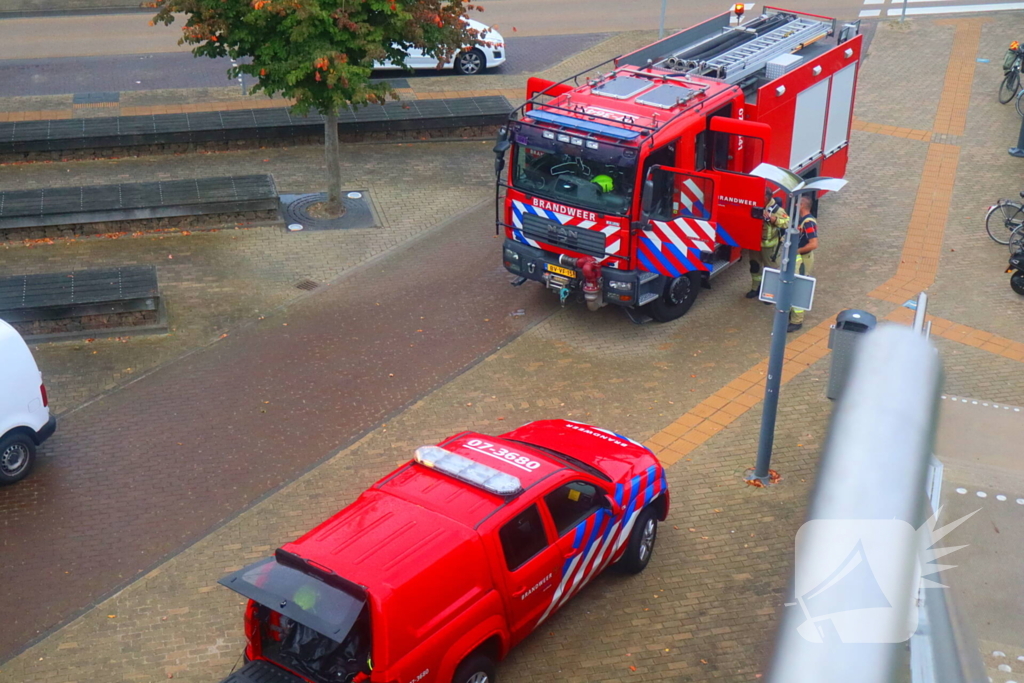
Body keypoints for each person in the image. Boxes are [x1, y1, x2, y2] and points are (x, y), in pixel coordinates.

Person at [746, 187, 789, 300]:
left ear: (766, 197)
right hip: (755, 244)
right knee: (755, 266)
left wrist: (773, 219)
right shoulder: (755, 204)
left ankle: (770, 294)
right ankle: (755, 288)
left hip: (769, 246)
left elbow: (787, 223)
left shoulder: (776, 210)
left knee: (771, 271)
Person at [788, 194, 819, 333]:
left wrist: (797, 250)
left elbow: (814, 244)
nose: (795, 205)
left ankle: (796, 321)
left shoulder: (808, 222)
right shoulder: (802, 220)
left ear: (802, 205)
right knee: (794, 285)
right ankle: (792, 314)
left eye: (797, 203)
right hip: (800, 257)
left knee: (799, 288)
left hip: (803, 259)